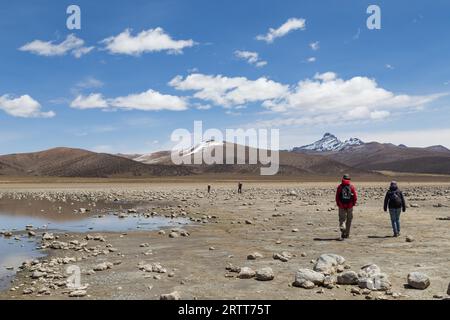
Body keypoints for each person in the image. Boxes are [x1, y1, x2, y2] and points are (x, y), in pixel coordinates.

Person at [336, 174, 358, 240]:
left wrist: (338, 203)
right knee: (349, 219)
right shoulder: (351, 187)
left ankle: (343, 228)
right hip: (350, 205)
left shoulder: (340, 187)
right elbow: (355, 197)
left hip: (341, 205)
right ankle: (347, 234)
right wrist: (353, 203)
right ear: (349, 179)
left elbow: (337, 197)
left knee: (342, 218)